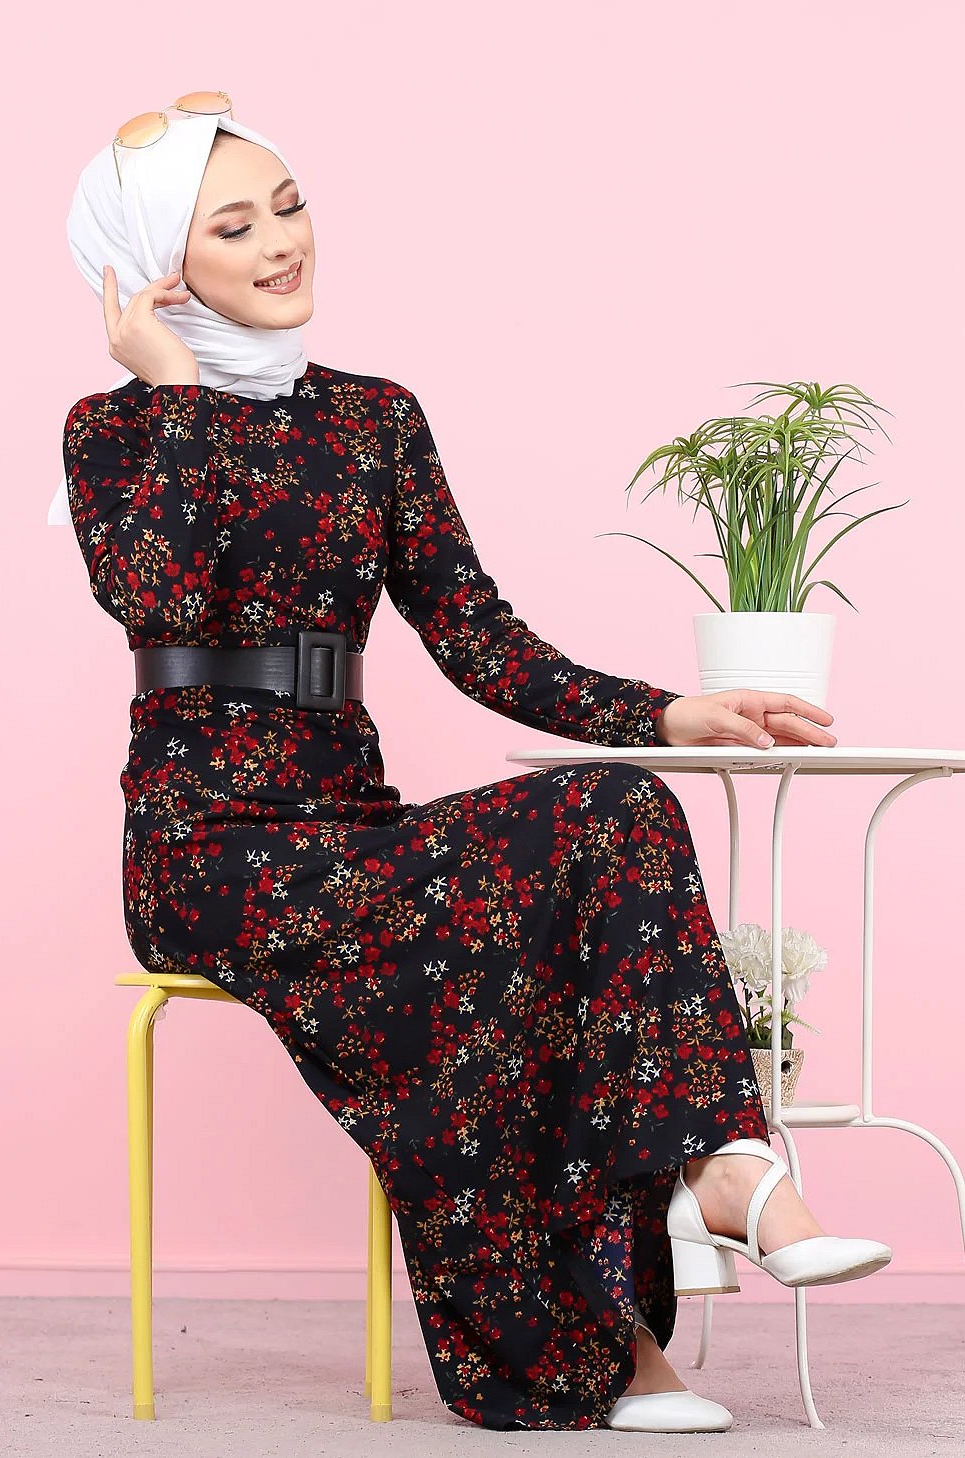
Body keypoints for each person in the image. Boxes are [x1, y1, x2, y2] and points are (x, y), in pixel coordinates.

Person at [59, 106, 891, 1433]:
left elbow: (477, 638)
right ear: (163, 263)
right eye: (234, 226)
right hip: (208, 850)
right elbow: (155, 595)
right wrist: (173, 390)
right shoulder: (113, 429)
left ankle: (718, 1169)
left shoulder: (374, 418)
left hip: (350, 822)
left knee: (615, 807)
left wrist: (668, 711)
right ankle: (622, 1339)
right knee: (487, 959)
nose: (281, 242)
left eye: (289, 203)